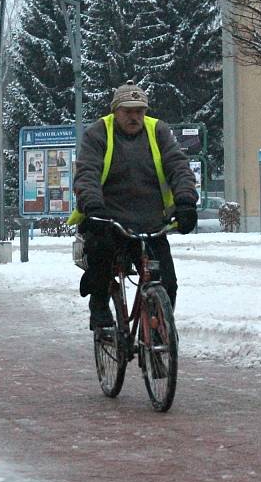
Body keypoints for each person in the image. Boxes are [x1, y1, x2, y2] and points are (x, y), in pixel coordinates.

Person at [69, 80, 198, 330]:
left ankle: (159, 333)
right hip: (109, 219)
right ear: (115, 111)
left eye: (139, 111)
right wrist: (93, 206)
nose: (134, 116)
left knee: (167, 283)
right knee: (101, 257)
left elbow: (178, 166)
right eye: (127, 111)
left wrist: (185, 201)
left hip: (151, 221)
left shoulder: (158, 131)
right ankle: (99, 306)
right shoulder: (98, 133)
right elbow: (87, 173)